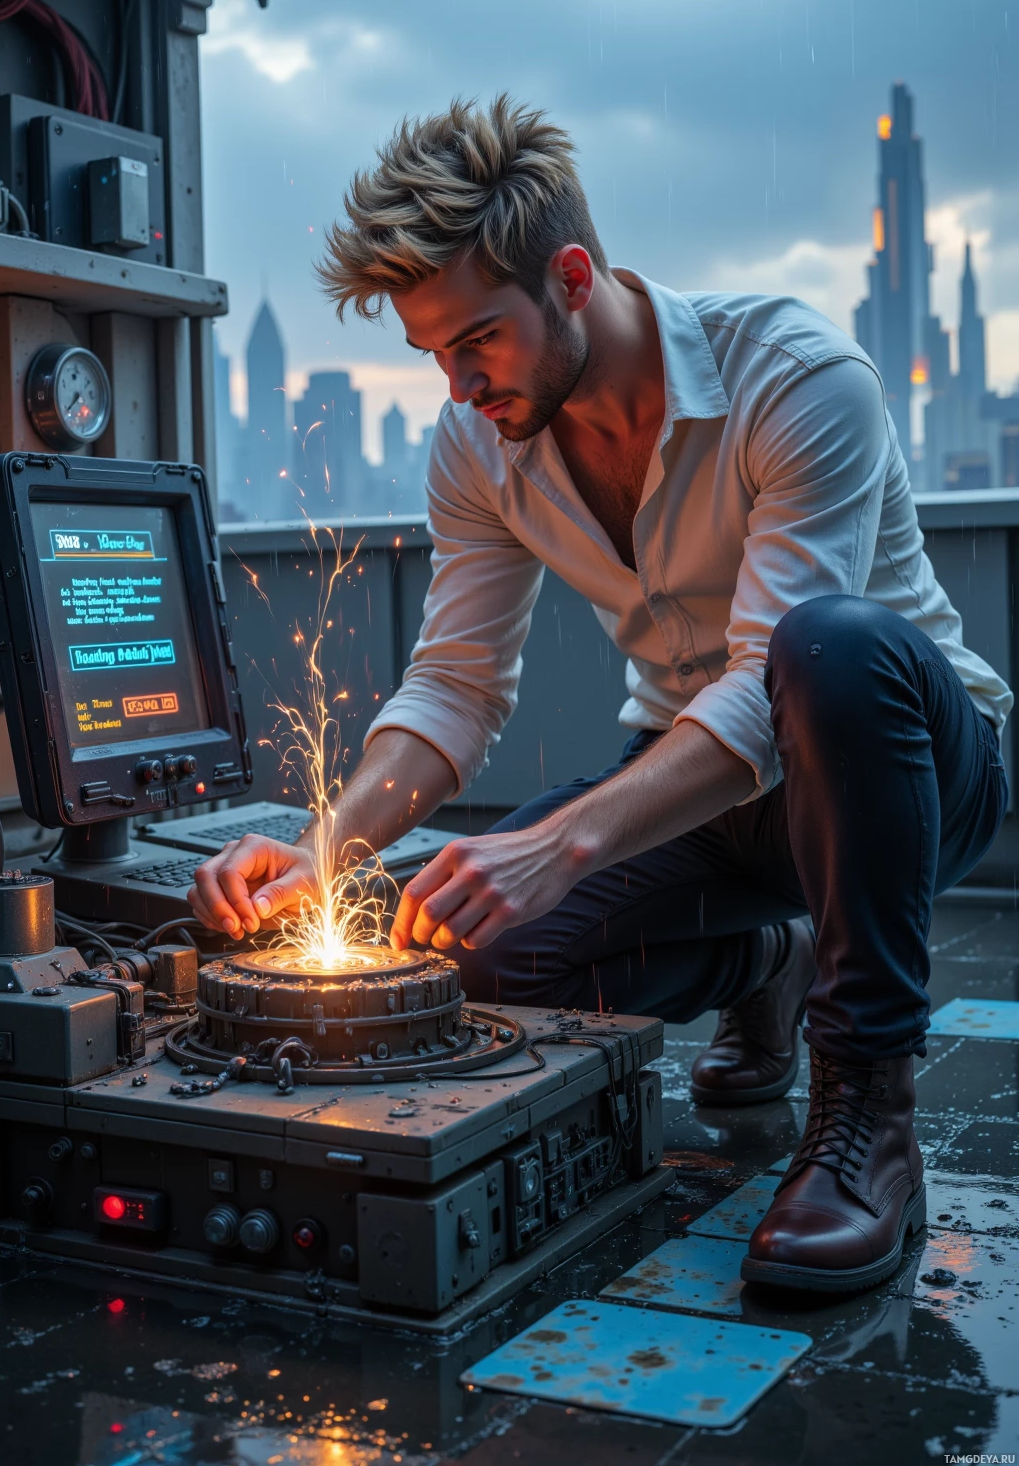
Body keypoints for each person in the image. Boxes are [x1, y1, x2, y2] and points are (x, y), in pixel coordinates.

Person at [189, 95, 1011, 1295]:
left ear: (570, 275)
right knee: (462, 956)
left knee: (829, 649)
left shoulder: (794, 377)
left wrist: (561, 844)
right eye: (430, 356)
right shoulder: (479, 444)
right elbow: (457, 687)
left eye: (475, 342)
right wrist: (327, 850)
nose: (457, 386)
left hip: (906, 770)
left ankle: (865, 1117)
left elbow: (759, 690)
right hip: (704, 796)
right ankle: (763, 965)